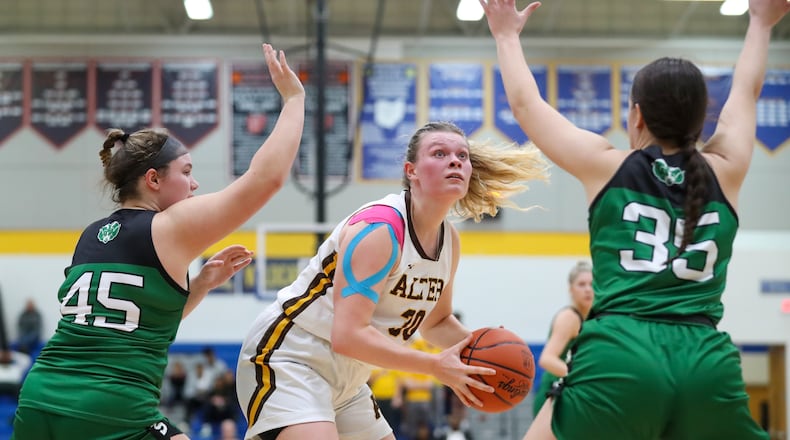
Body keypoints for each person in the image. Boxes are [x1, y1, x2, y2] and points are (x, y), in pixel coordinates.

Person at [480, 0, 790, 439]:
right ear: (701, 119)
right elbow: (746, 91)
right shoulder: (727, 167)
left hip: (621, 351)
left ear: (637, 114)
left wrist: (506, 35)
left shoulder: (606, 165)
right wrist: (761, 22)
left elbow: (526, 106)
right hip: (705, 360)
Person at [12, 43, 305, 440]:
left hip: (39, 399)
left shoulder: (91, 235)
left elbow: (135, 324)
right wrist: (293, 98)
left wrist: (198, 286)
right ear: (153, 179)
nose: (195, 183)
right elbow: (265, 180)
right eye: (186, 171)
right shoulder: (170, 225)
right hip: (112, 407)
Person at [235, 120, 550, 440]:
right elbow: (347, 335)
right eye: (439, 153)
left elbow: (436, 322)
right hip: (291, 356)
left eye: (462, 156)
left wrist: (484, 360)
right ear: (411, 170)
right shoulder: (380, 229)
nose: (455, 161)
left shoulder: (449, 242)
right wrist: (433, 366)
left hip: (349, 377)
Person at [531, 261, 593, 417]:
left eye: (592, 284)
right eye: (581, 284)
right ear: (571, 289)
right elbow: (546, 359)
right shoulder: (569, 317)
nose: (587, 289)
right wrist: (583, 377)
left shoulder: (593, 318)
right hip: (554, 393)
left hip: (572, 392)